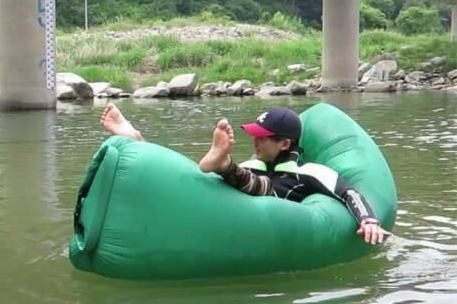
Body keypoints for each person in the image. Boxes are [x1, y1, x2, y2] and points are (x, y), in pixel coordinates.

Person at [99, 104, 389, 245]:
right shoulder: (255, 164)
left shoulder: (309, 173)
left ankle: (223, 164)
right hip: (244, 198)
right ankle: (138, 141)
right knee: (196, 179)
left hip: (279, 206)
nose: (255, 141)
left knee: (267, 189)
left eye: (262, 138)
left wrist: (368, 219)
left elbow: (349, 192)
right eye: (254, 135)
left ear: (284, 144)